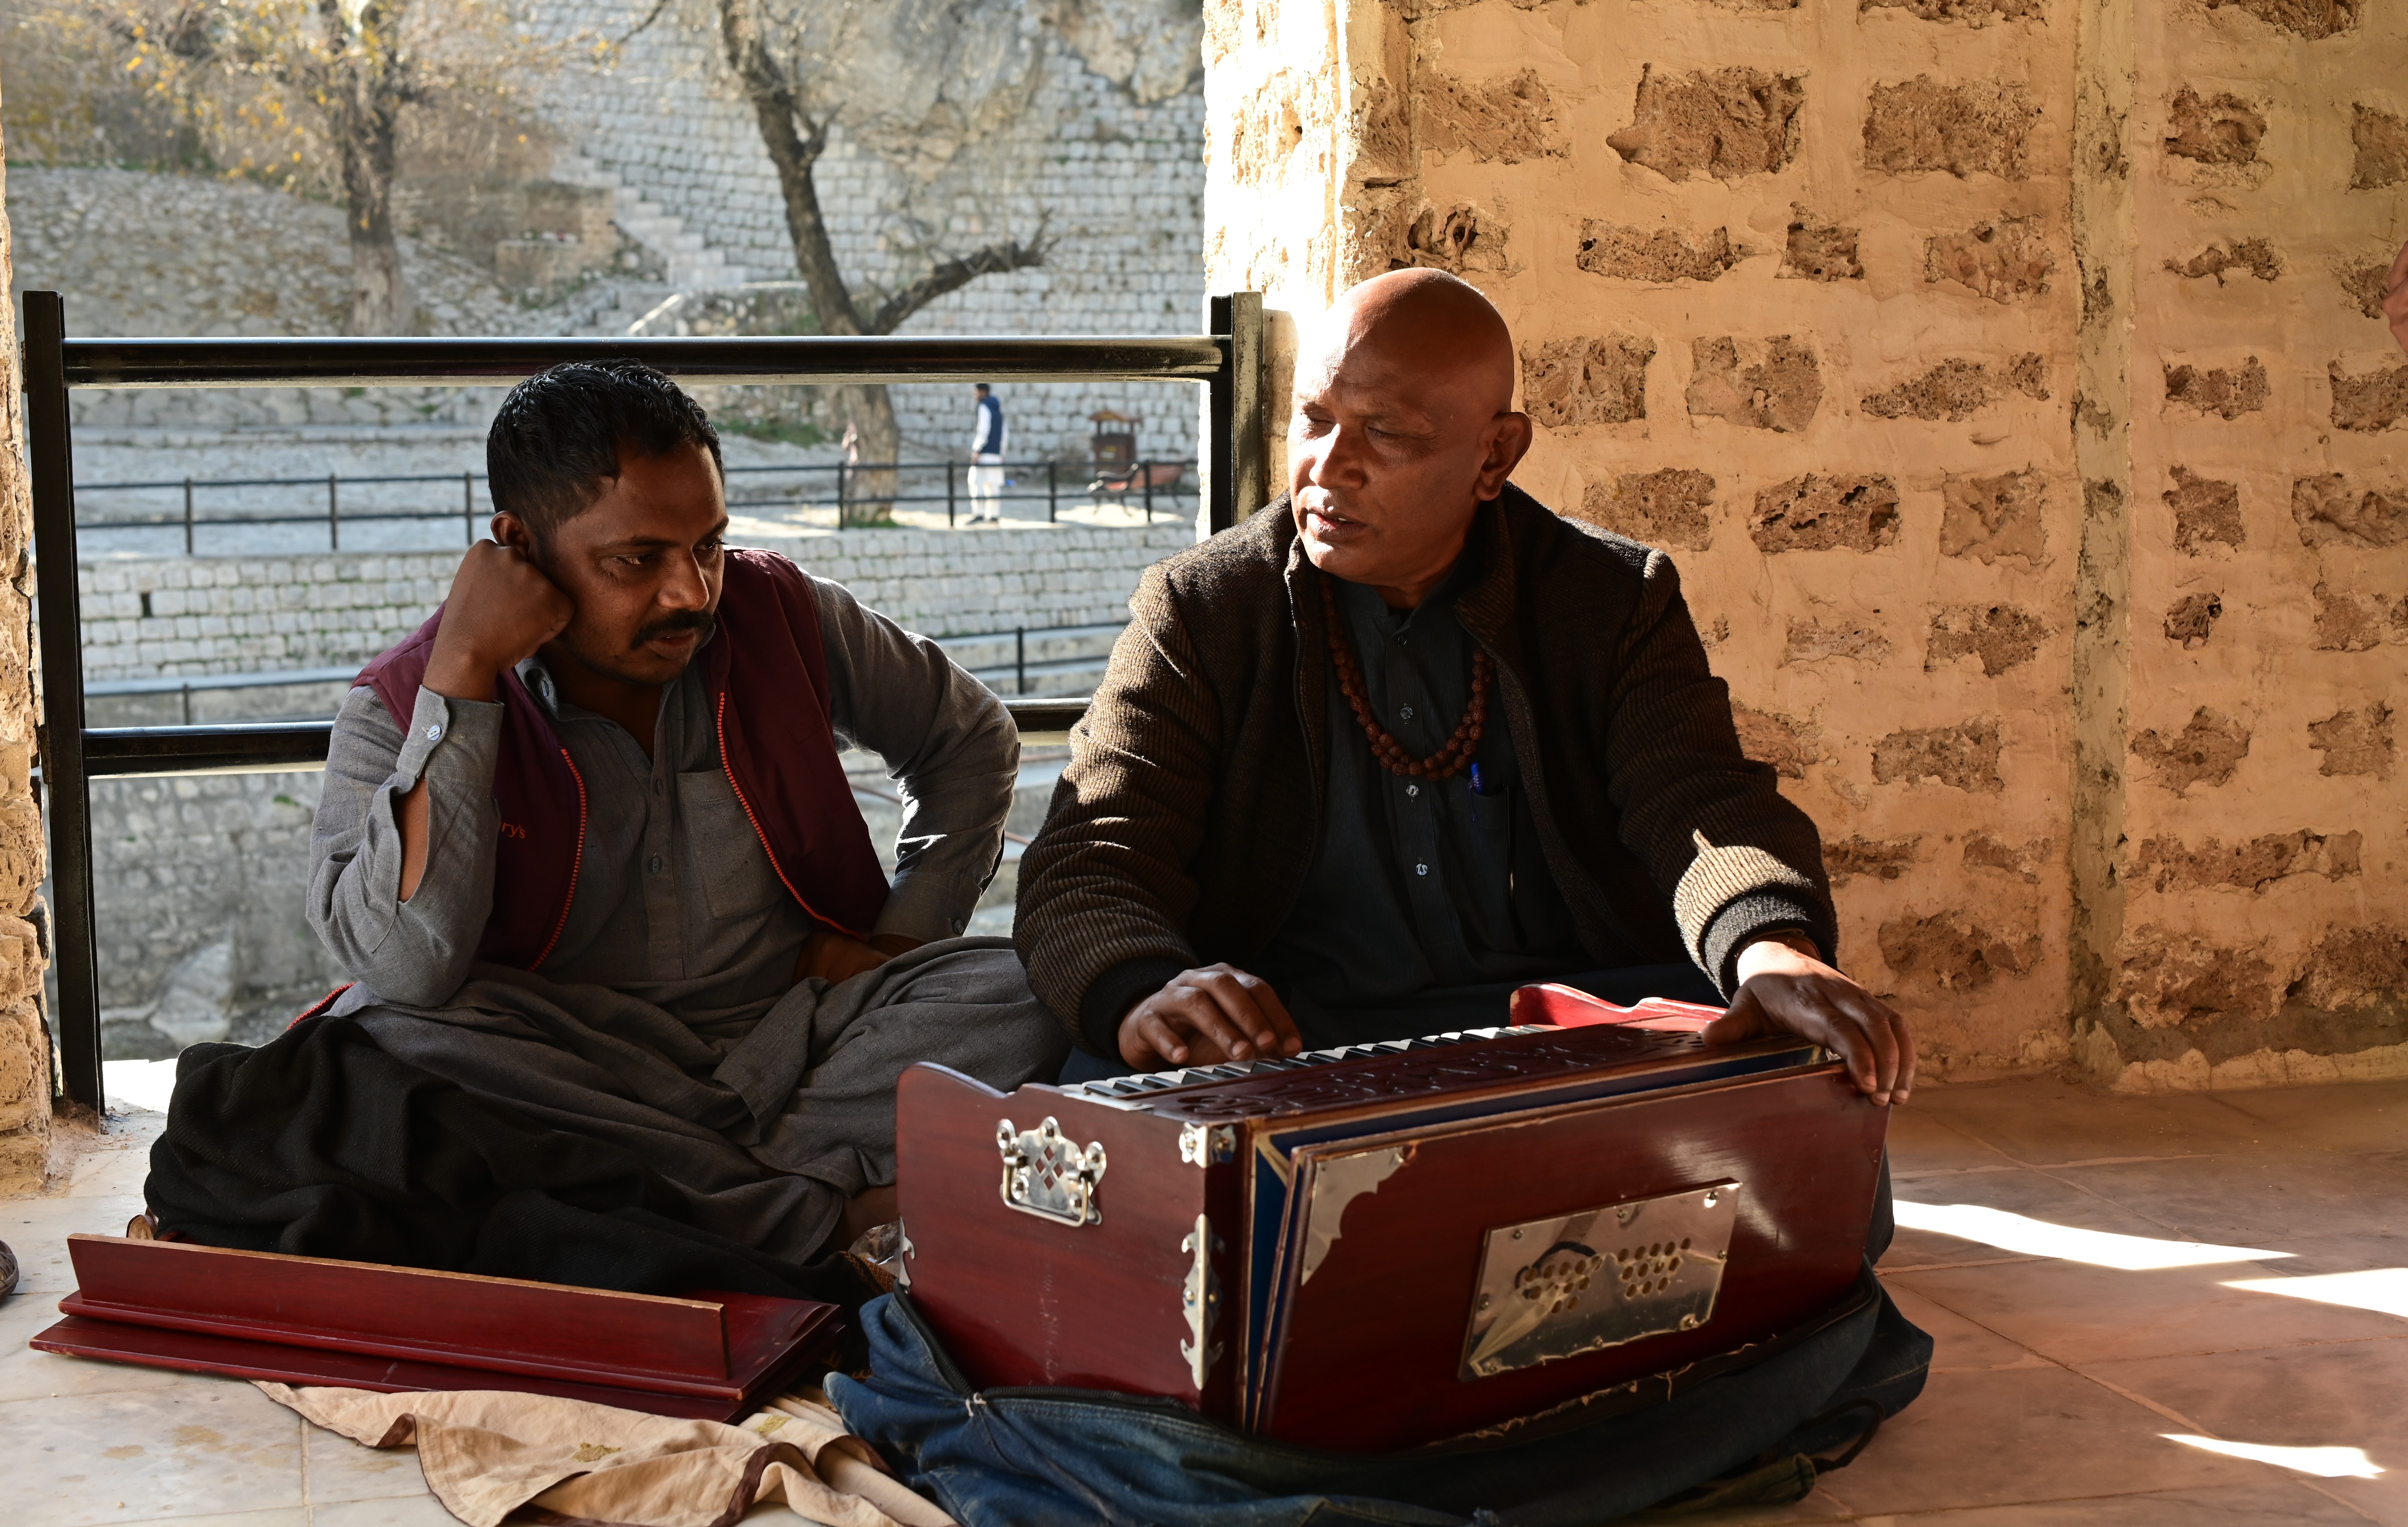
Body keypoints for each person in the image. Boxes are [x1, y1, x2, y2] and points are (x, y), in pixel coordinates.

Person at [1015, 269, 1916, 1107]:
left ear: (1496, 455)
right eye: (1315, 418)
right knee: (1110, 1098)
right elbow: (1093, 851)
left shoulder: (1609, 597)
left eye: (1387, 432)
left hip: (1568, 1025)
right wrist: (1143, 986)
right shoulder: (1206, 608)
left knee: (1811, 1112)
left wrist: (1769, 946)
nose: (1328, 466)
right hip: (1298, 1032)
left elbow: (1697, 801)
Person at [305, 360, 1064, 1264]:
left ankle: (679, 1200)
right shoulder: (404, 699)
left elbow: (968, 738)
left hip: (807, 1038)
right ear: (520, 543)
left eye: (706, 545)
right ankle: (815, 1210)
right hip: (571, 1068)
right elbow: (404, 967)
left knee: (1041, 985)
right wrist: (465, 682)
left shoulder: (778, 613)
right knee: (378, 1038)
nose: (690, 592)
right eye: (638, 560)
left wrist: (901, 940)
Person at [967, 382, 1006, 523]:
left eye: (976, 392)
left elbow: (983, 431)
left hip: (985, 453)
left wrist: (977, 450)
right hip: (996, 454)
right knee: (994, 486)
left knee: (976, 482)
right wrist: (1001, 453)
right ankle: (994, 515)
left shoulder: (984, 407)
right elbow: (1005, 434)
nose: (975, 395)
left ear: (982, 392)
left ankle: (980, 513)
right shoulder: (998, 410)